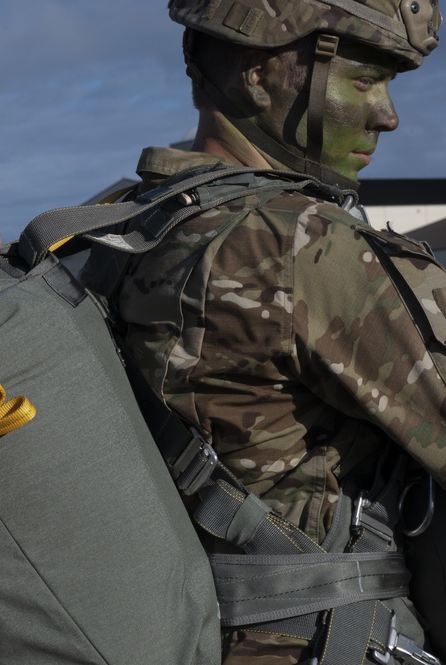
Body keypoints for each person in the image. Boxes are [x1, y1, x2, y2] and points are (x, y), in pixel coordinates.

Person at [82, 1, 445, 663]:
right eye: (364, 80)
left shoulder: (122, 227)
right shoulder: (303, 245)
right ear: (259, 72)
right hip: (331, 639)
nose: (388, 115)